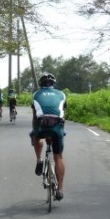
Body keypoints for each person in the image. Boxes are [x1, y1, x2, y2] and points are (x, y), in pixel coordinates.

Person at [30, 72, 67, 200]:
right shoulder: (62, 94)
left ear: (41, 84)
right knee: (59, 157)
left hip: (42, 126)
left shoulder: (36, 94)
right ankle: (60, 190)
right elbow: (63, 114)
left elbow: (35, 117)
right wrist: (62, 130)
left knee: (36, 136)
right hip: (57, 127)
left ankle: (39, 160)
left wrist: (35, 131)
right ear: (53, 84)